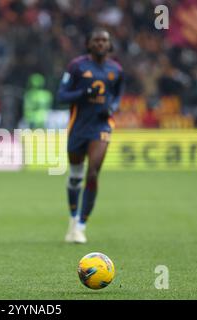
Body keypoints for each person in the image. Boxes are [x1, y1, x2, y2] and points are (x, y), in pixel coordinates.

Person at [57, 29, 124, 244]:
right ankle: (73, 218)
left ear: (109, 44)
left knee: (93, 172)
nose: (101, 43)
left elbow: (118, 96)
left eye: (104, 40)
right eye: (96, 40)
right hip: (78, 127)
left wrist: (112, 108)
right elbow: (61, 96)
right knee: (76, 175)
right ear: (89, 44)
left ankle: (81, 225)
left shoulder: (117, 70)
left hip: (101, 126)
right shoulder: (76, 66)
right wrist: (84, 94)